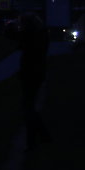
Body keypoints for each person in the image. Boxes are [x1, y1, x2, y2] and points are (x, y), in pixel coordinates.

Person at [10, 12, 51, 149]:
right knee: (29, 105)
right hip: (37, 74)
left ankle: (36, 137)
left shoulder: (30, 36)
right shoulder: (41, 35)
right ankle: (40, 136)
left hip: (30, 74)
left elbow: (12, 37)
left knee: (27, 107)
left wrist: (13, 27)